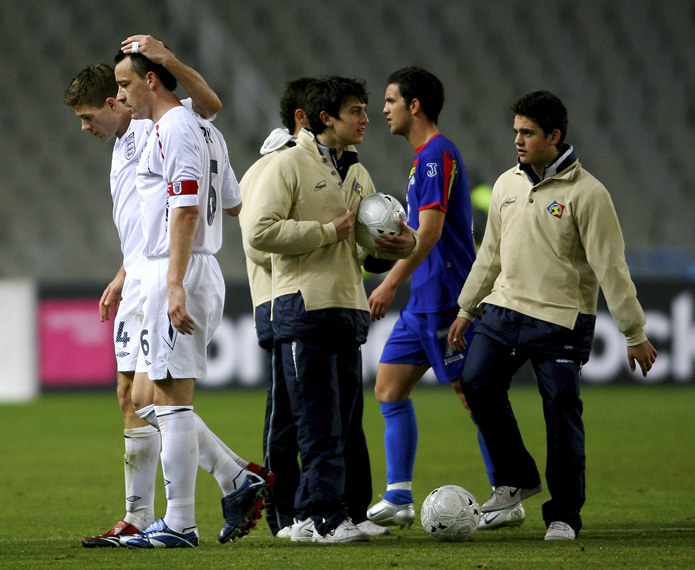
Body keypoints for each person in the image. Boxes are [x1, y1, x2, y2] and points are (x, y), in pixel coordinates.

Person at [65, 36, 270, 549]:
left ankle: (186, 512)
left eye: (97, 110)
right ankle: (216, 483)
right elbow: (165, 212)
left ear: (125, 97)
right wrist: (125, 270)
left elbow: (185, 197)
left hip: (169, 271)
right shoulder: (159, 131)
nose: (87, 127)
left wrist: (165, 57)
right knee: (137, 396)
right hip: (147, 270)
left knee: (160, 398)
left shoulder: (155, 128)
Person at [448, 90, 658, 541]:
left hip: (561, 320)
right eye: (516, 132)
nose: (518, 141)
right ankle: (516, 479)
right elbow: (489, 255)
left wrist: (634, 331)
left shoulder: (589, 194)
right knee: (478, 383)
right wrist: (467, 307)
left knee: (561, 414)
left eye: (528, 133)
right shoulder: (506, 184)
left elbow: (611, 268)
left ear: (555, 136)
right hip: (503, 310)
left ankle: (564, 515)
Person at [247, 76, 417, 543]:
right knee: (315, 424)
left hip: (347, 307)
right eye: (357, 111)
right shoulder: (286, 164)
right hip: (302, 307)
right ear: (326, 119)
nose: (367, 120)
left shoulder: (358, 173)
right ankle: (320, 517)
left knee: (343, 423)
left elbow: (366, 250)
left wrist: (402, 245)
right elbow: (258, 234)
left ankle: (337, 512)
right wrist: (326, 231)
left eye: (366, 110)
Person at [363, 66, 511, 529]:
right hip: (422, 301)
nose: (383, 110)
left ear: (415, 105)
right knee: (388, 386)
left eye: (390, 100)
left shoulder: (436, 156)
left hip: (447, 295)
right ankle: (398, 497)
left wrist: (388, 281)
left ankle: (506, 494)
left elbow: (429, 234)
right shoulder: (422, 160)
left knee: (472, 395)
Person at [238, 78, 312, 538]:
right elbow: (257, 243)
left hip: (305, 301)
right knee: (284, 414)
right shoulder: (273, 165)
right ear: (305, 117)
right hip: (276, 303)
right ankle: (283, 513)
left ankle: (322, 508)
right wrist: (318, 240)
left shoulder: (308, 164)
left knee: (308, 413)